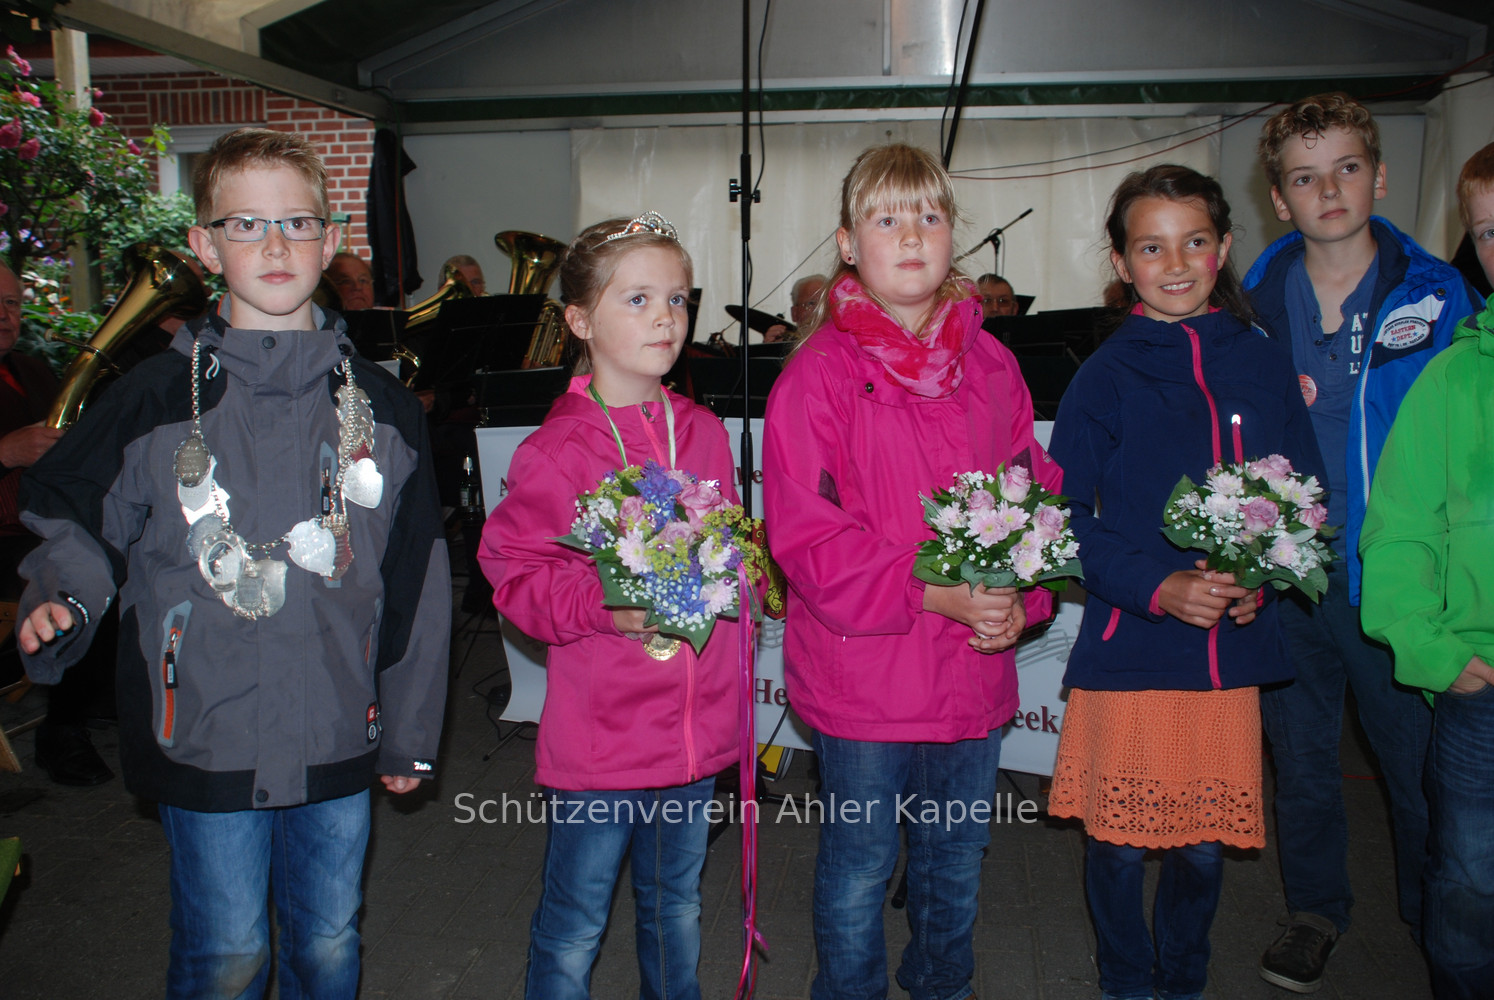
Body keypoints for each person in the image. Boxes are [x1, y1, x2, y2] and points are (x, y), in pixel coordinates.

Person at [14, 127, 451, 999]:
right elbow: (75, 514)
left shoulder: (385, 410)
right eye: (246, 224)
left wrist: (408, 729)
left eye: (297, 222)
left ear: (330, 241)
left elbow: (417, 581)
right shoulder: (148, 399)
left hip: (336, 726)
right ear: (205, 246)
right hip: (204, 727)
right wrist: (61, 595)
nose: (276, 244)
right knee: (227, 952)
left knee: (329, 942)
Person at [762, 143, 1057, 1000]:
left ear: (953, 233)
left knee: (955, 856)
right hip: (867, 673)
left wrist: (1023, 597)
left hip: (969, 667)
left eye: (929, 215)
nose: (912, 235)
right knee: (860, 864)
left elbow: (1031, 496)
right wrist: (933, 592)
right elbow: (807, 538)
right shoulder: (818, 374)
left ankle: (941, 986)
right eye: (887, 218)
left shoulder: (993, 365)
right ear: (848, 244)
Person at [1047, 164, 1324, 1000]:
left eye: (1194, 241)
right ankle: (1126, 981)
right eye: (1151, 247)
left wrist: (1263, 578)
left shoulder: (1263, 363)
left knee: (1203, 849)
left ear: (1224, 246)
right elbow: (1060, 519)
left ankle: (1183, 981)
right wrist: (1156, 586)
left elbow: (1305, 499)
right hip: (1133, 646)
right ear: (1122, 262)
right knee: (1120, 846)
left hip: (1230, 655)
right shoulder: (1104, 375)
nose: (1175, 263)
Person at [1242, 92, 1481, 993]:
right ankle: (1314, 912)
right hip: (1291, 575)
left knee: (1419, 769)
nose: (1329, 189)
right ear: (1279, 198)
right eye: (1305, 177)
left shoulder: (1439, 294)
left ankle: (1434, 920)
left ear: (1379, 176)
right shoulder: (1252, 301)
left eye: (1347, 168)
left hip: (1399, 579)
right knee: (1303, 761)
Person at [477, 212, 743, 1000]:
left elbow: (725, 551)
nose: (666, 318)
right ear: (580, 321)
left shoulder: (703, 432)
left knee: (677, 906)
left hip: (694, 731)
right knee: (576, 922)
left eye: (678, 298)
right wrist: (605, 604)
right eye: (638, 299)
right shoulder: (559, 449)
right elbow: (513, 574)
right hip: (604, 740)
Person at [1359, 140, 1494, 1000]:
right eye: (1488, 231)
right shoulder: (1450, 380)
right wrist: (1435, 649)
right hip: (1481, 687)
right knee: (1469, 885)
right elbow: (1402, 528)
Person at [763, 273, 827, 343]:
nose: (820, 311)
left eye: (827, 304)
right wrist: (771, 347)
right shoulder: (782, 341)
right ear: (794, 313)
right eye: (811, 303)